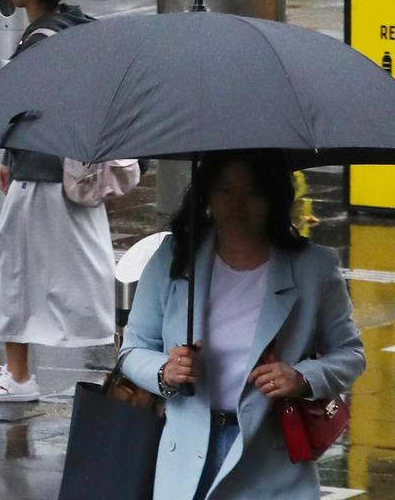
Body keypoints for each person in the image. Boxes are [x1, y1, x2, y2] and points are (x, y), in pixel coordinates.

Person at [120, 151, 365, 499]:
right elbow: (132, 349)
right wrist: (166, 371)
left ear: (274, 198)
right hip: (187, 460)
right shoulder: (173, 259)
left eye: (252, 192)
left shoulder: (314, 268)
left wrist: (302, 377)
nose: (237, 204)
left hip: (272, 461)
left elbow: (350, 354)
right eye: (224, 190)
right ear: (207, 195)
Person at [0, 0, 113, 403]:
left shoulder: (42, 39)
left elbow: (10, 99)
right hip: (70, 171)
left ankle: (18, 376)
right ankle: (117, 358)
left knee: (12, 275)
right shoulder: (78, 28)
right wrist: (9, 157)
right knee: (88, 273)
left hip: (42, 177)